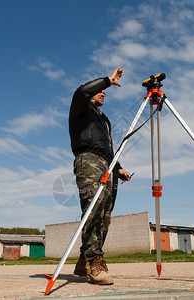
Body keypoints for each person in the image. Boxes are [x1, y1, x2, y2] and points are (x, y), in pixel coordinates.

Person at [69, 67, 132, 285]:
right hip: (88, 161)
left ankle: (82, 261)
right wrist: (107, 80)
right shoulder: (80, 108)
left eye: (104, 91)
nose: (103, 93)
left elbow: (106, 148)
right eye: (100, 91)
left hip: (106, 164)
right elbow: (81, 91)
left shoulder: (103, 119)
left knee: (104, 215)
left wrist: (118, 168)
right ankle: (95, 262)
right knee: (93, 209)